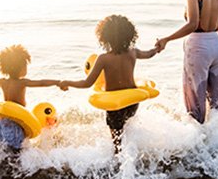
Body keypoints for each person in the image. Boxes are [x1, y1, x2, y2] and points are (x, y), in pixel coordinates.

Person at [60, 15, 157, 152]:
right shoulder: (133, 52)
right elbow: (149, 54)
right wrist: (157, 48)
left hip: (114, 105)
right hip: (132, 102)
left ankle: (119, 158)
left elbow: (87, 83)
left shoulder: (103, 59)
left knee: (117, 141)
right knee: (128, 126)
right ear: (129, 34)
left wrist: (67, 82)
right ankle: (131, 152)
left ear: (104, 38)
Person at [155, 0, 218, 123]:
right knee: (217, 102)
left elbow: (193, 24)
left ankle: (197, 144)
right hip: (217, 45)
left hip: (199, 46)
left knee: (195, 99)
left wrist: (167, 39)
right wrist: (212, 43)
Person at [0, 44, 62, 151]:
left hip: (2, 124)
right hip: (16, 124)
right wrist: (57, 82)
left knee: (4, 150)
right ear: (21, 68)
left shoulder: (3, 82)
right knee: (18, 153)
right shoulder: (22, 82)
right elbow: (41, 82)